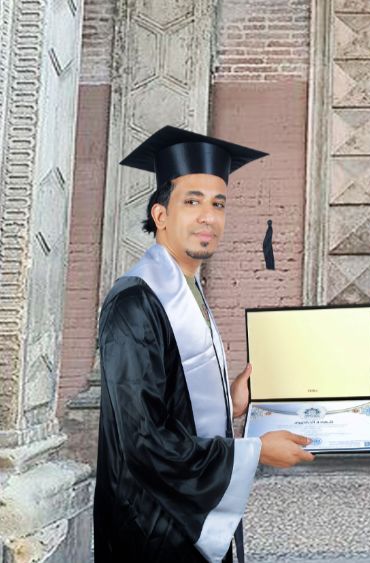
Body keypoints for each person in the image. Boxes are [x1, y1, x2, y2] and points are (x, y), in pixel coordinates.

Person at [94, 126, 314, 562]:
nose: (208, 217)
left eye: (218, 204)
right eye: (192, 201)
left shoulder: (188, 291)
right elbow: (142, 440)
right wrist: (253, 452)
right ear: (160, 214)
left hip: (183, 519)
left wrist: (226, 403)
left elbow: (168, 397)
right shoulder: (136, 302)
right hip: (152, 529)